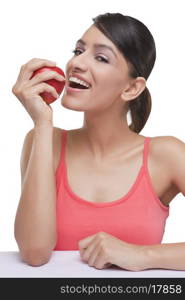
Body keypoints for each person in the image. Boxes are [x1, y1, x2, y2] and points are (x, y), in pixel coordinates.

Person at [12, 12, 185, 271]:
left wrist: (141, 255)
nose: (77, 63)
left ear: (131, 88)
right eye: (78, 50)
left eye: (101, 57)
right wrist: (42, 123)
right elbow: (35, 253)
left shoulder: (167, 154)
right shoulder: (45, 141)